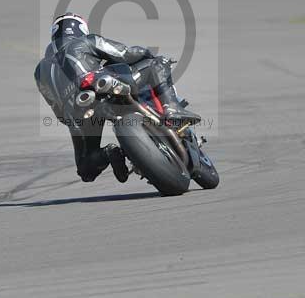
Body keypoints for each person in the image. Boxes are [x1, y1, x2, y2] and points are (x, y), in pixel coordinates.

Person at [34, 12, 200, 183]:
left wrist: (73, 118)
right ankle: (171, 106)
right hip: (103, 85)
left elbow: (56, 107)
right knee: (156, 64)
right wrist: (147, 54)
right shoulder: (86, 41)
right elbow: (124, 53)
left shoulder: (40, 71)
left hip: (77, 111)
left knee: (86, 168)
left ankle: (110, 153)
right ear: (81, 29)